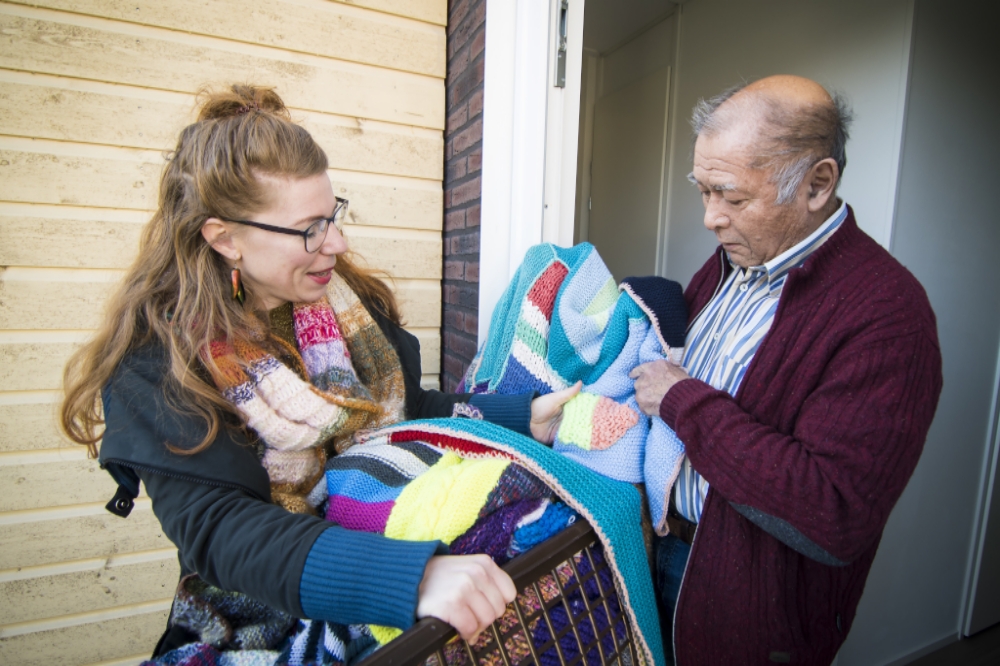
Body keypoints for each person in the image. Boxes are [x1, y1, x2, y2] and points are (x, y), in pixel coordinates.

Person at [60, 84, 580, 660]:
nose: (336, 241)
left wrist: (523, 415)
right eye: (309, 229)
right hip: (258, 615)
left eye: (332, 215)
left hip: (390, 540)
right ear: (225, 238)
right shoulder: (160, 365)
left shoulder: (346, 306)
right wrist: (407, 577)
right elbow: (222, 529)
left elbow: (406, 412)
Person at [630, 75, 942, 665]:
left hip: (753, 618)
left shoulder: (888, 314)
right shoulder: (732, 263)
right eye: (703, 191)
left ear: (818, 184)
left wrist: (683, 401)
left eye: (733, 197)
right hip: (666, 558)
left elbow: (834, 512)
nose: (710, 219)